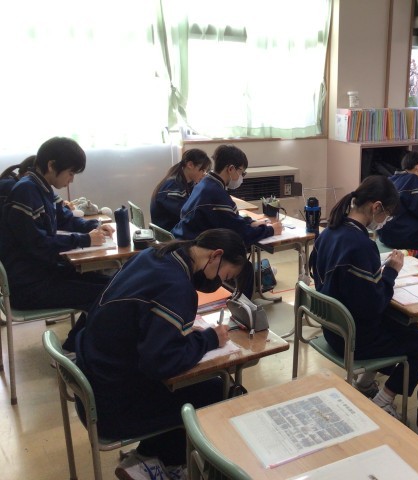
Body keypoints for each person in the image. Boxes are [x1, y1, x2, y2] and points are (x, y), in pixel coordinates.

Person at [76, 228, 247, 479]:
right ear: (216, 255)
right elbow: (162, 363)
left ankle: (146, 459)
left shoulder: (153, 255)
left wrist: (178, 334)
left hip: (93, 384)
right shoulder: (177, 286)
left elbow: (142, 324)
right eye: (226, 275)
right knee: (220, 389)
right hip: (113, 408)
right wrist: (210, 339)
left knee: (196, 385)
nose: (220, 282)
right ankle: (170, 464)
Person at [309, 175, 418, 418]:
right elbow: (373, 306)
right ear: (376, 207)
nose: (386, 220)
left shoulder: (329, 232)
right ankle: (383, 400)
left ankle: (365, 382)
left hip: (332, 327)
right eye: (387, 214)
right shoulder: (360, 244)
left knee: (409, 326)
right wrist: (391, 272)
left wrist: (376, 275)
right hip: (352, 338)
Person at [0, 137, 114, 350]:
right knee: (107, 293)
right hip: (30, 285)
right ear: (51, 165)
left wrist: (94, 226)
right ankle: (75, 348)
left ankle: (76, 345)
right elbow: (38, 244)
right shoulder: (26, 191)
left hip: (44, 273)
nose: (71, 180)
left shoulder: (40, 187)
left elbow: (65, 217)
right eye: (70, 173)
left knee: (114, 283)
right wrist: (85, 239)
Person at [173, 144, 282, 241]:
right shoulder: (217, 193)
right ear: (231, 169)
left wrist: (251, 223)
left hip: (182, 239)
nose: (241, 177)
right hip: (192, 247)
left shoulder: (205, 183)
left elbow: (230, 219)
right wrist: (271, 230)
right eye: (242, 173)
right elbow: (241, 234)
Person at [150, 148, 212, 232]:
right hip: (170, 233)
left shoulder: (188, 182)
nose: (204, 174)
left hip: (176, 229)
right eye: (202, 170)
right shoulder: (172, 186)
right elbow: (187, 213)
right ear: (190, 165)